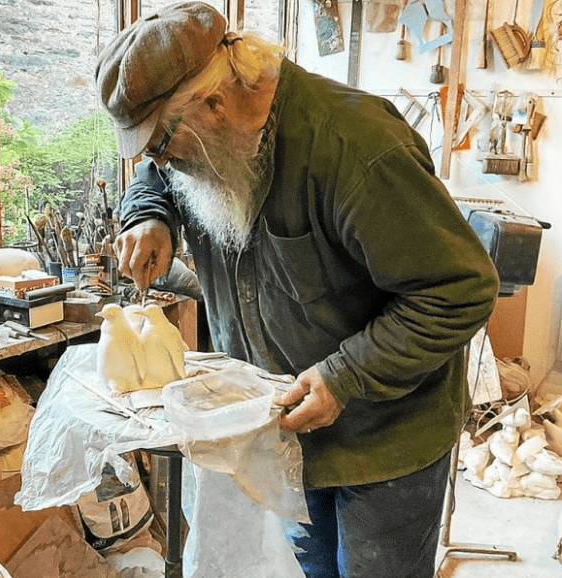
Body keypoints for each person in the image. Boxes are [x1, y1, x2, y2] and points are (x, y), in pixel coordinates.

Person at [95, 3, 500, 577]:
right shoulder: (199, 141)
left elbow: (460, 289)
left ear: (213, 104)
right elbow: (155, 175)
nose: (161, 162)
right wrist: (148, 215)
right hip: (285, 429)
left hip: (382, 444)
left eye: (160, 143)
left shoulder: (357, 149)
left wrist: (346, 375)